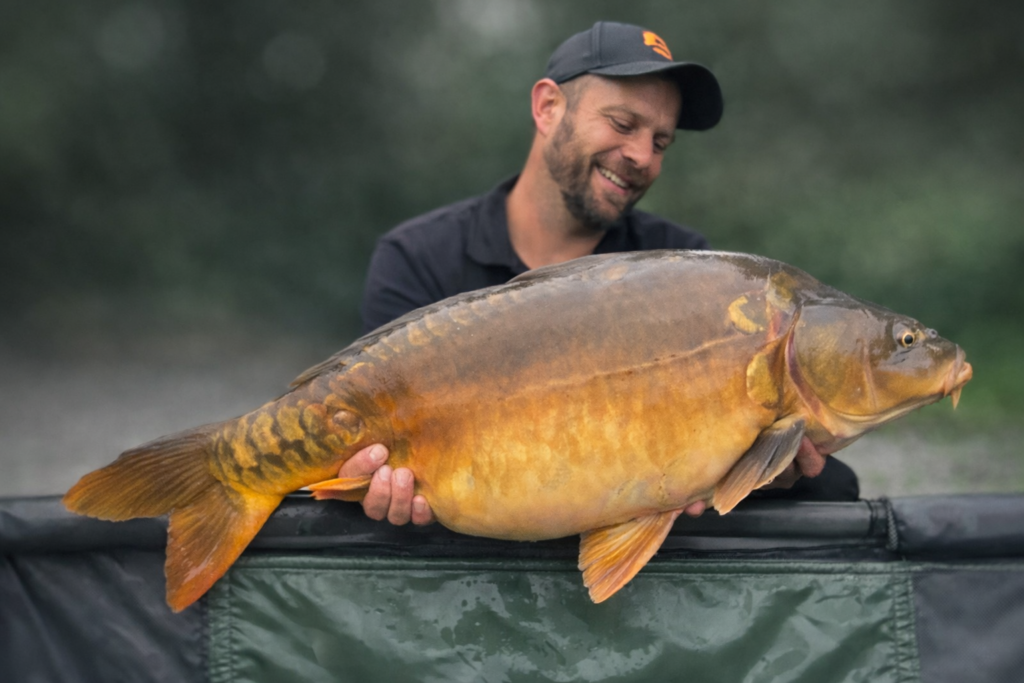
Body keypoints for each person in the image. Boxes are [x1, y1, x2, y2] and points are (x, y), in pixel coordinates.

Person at [336, 21, 858, 527]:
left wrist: (776, 475)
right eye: (623, 124)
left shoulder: (690, 270)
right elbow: (364, 439)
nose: (640, 156)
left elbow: (738, 458)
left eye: (660, 142)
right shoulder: (417, 257)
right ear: (547, 107)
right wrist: (369, 484)